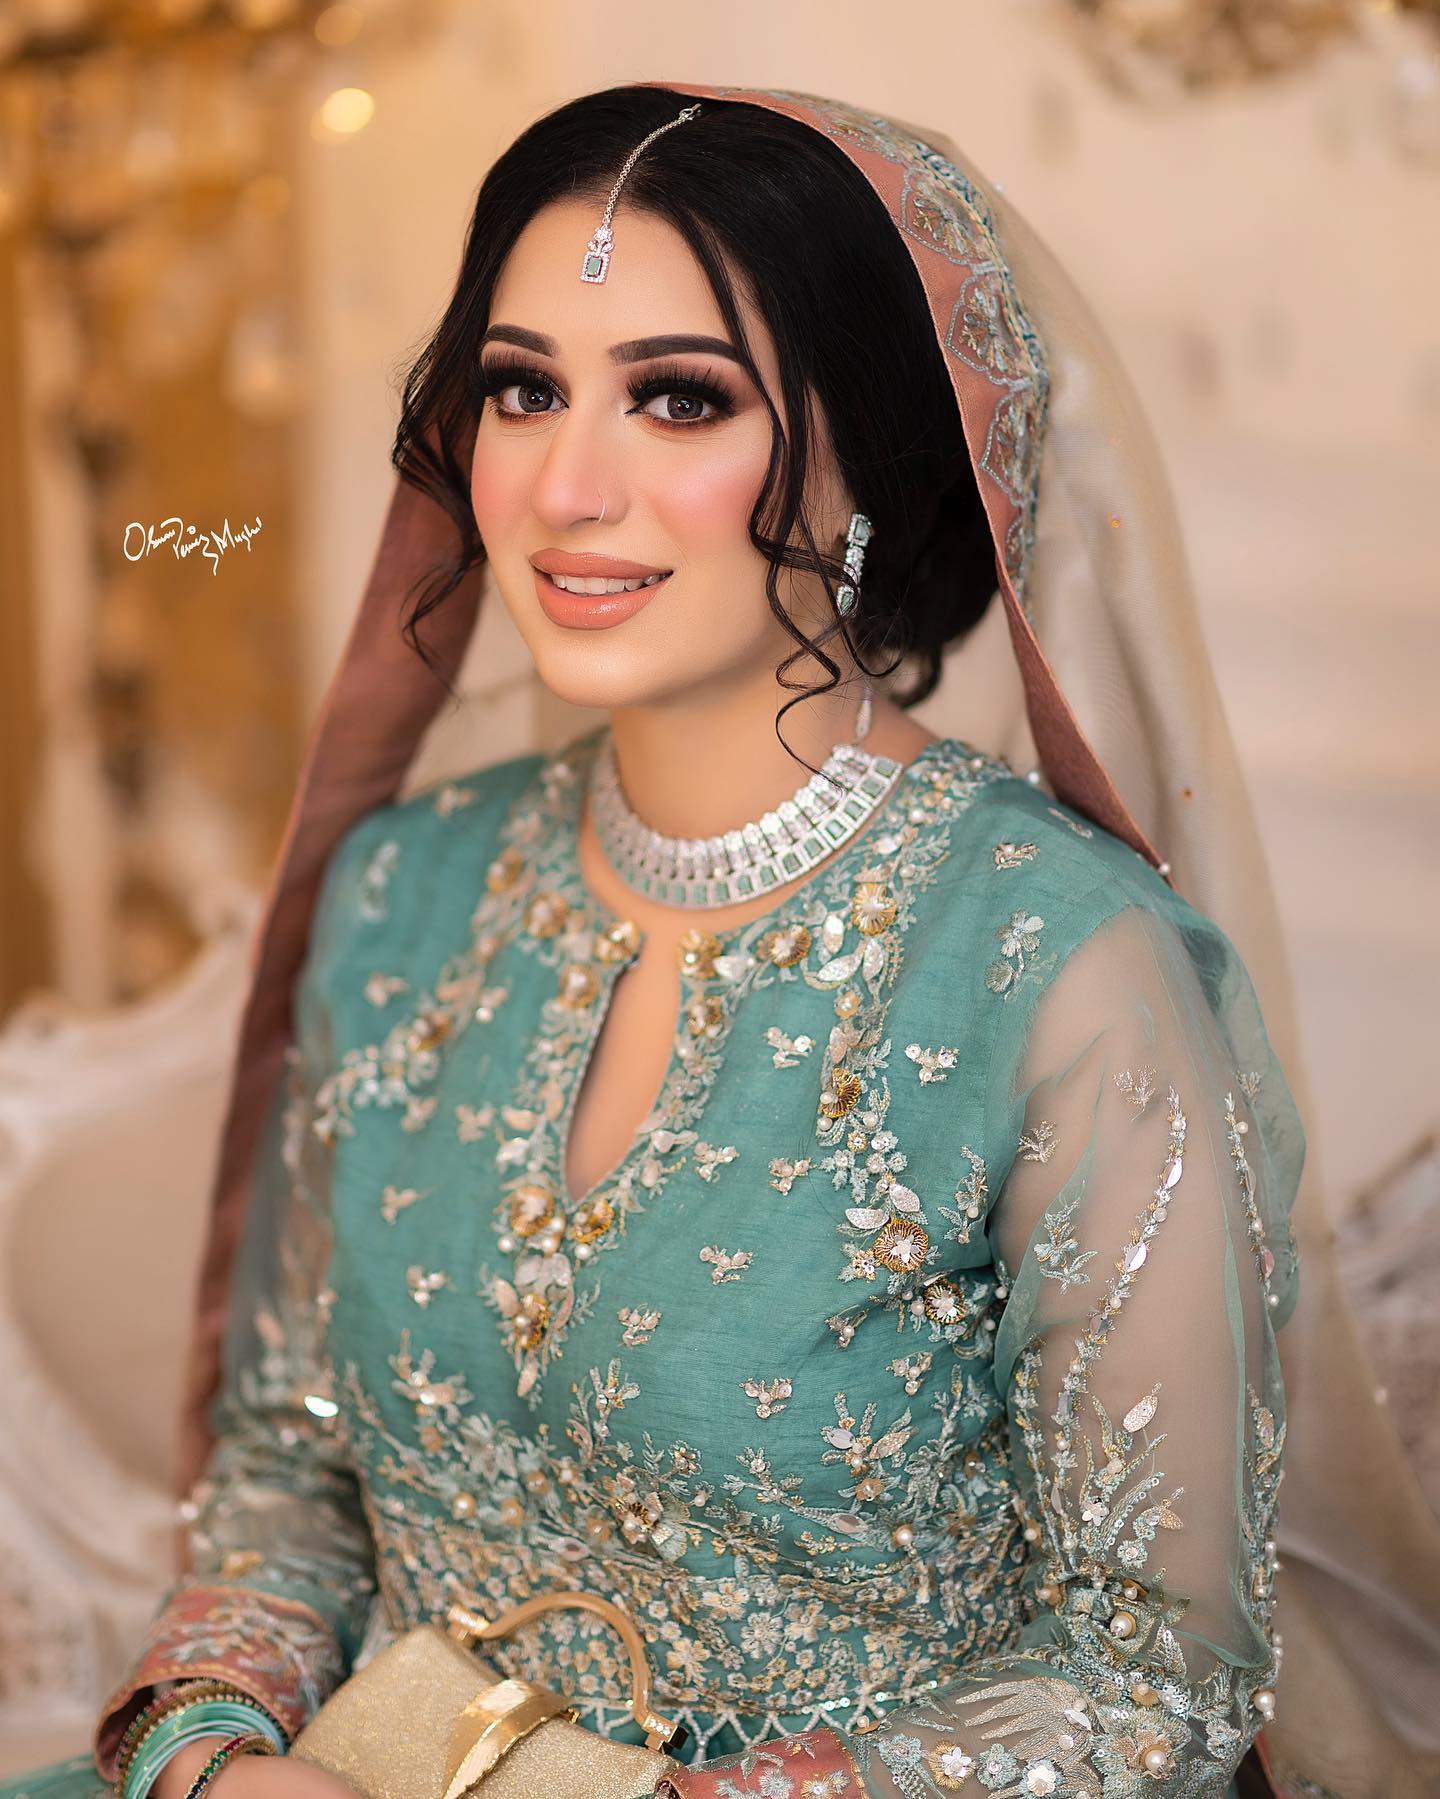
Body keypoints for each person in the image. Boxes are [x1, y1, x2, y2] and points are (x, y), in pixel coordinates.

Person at [4, 80, 1436, 1799]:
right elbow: (285, 1474)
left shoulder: (1066, 971)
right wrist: (218, 1754)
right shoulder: (404, 897)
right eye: (521, 389)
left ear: (874, 460)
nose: (564, 484)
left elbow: (1153, 1674)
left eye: (680, 401)